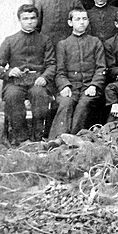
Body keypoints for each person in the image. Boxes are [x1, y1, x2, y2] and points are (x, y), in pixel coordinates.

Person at [0, 5, 56, 144]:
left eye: (33, 18)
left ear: (37, 20)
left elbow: (52, 64)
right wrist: (9, 72)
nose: (30, 22)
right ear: (19, 20)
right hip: (16, 82)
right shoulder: (10, 40)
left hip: (37, 81)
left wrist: (44, 77)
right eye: (26, 19)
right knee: (12, 95)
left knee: (39, 95)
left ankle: (37, 137)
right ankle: (22, 139)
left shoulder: (45, 40)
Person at [49, 8, 106, 138]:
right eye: (77, 19)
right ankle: (57, 140)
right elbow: (60, 71)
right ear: (70, 23)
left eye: (84, 19)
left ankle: (73, 139)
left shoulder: (95, 42)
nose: (81, 22)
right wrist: (64, 86)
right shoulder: (63, 44)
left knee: (84, 105)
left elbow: (101, 68)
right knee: (65, 103)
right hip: (71, 87)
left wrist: (94, 85)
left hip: (90, 87)